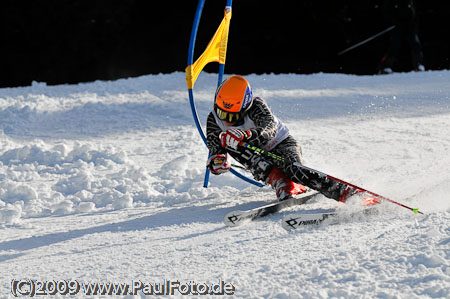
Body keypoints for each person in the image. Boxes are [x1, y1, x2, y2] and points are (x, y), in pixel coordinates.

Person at [205, 75, 358, 202]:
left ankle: (343, 192)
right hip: (257, 155)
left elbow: (269, 129)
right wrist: (218, 162)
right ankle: (281, 182)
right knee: (230, 141)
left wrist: (246, 134)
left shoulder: (257, 106)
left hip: (281, 143)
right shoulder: (213, 120)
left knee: (295, 170)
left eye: (233, 116)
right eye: (222, 113)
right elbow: (215, 149)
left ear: (246, 107)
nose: (226, 120)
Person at [378, 0, 424, 74]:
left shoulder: (411, 1)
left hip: (410, 27)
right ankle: (385, 67)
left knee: (416, 44)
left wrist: (414, 25)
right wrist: (395, 22)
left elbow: (415, 12)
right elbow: (387, 11)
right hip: (398, 27)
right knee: (394, 46)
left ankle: (419, 65)